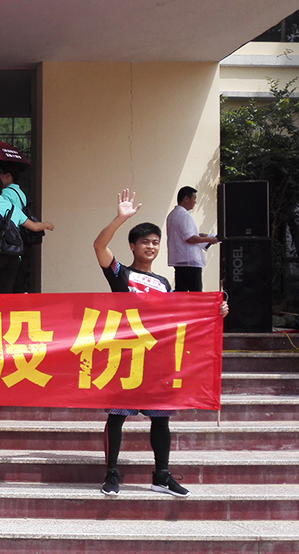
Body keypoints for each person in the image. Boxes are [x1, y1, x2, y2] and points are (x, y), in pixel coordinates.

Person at [93, 188, 229, 497]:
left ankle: (162, 475)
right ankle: (111, 473)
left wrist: (216, 312)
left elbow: (181, 318)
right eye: (145, 242)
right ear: (133, 246)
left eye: (155, 242)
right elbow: (99, 245)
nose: (151, 246)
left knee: (161, 418)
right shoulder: (121, 275)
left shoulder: (165, 284)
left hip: (157, 359)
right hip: (125, 357)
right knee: (117, 416)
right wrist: (120, 218)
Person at [166, 186, 219, 291]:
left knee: (181, 291)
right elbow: (190, 238)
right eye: (194, 198)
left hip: (180, 259)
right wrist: (209, 239)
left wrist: (199, 235)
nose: (195, 202)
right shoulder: (184, 215)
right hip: (189, 261)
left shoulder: (173, 214)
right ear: (186, 199)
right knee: (195, 292)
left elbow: (183, 234)